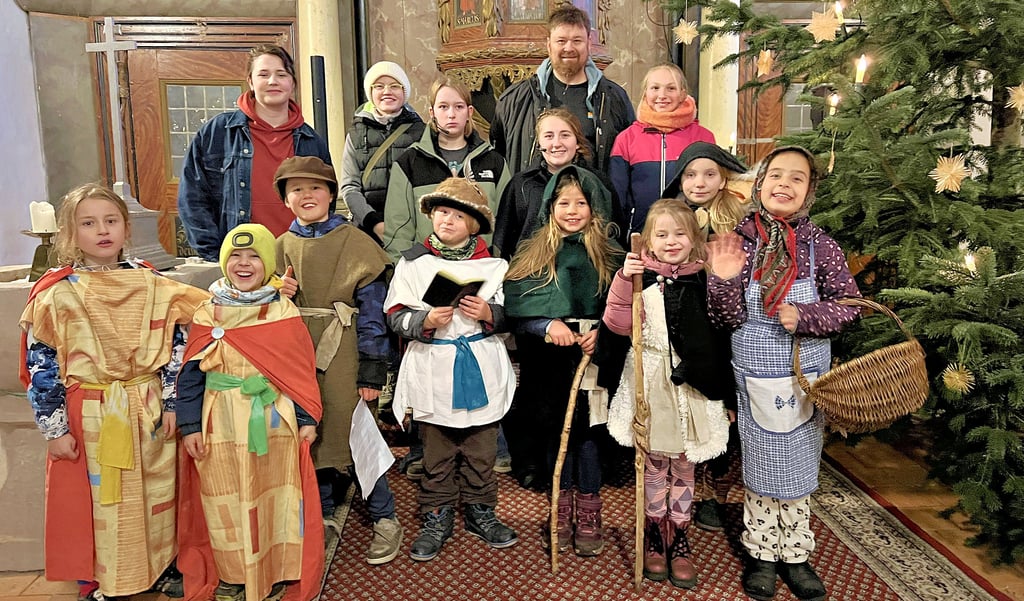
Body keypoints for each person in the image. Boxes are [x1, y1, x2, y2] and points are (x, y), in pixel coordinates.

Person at [20, 184, 209, 601]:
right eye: (88, 223)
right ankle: (104, 578)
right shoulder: (58, 292)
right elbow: (42, 365)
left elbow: (183, 343)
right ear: (70, 234)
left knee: (157, 494)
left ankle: (157, 567)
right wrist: (54, 430)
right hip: (91, 412)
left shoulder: (154, 283)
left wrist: (176, 401)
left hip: (149, 405)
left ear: (126, 227)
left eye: (111, 221)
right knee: (105, 502)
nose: (102, 231)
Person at [706, 146, 861, 601]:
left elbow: (850, 308)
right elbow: (724, 317)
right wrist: (724, 278)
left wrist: (808, 317)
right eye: (776, 175)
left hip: (806, 377)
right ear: (759, 184)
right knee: (761, 464)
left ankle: (796, 552)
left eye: (797, 179)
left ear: (809, 191)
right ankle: (762, 554)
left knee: (798, 466)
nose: (784, 185)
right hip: (754, 371)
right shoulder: (738, 240)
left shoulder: (821, 247)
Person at [175, 224, 324, 601]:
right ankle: (233, 573)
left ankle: (273, 571)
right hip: (219, 422)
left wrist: (306, 420)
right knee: (222, 498)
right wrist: (191, 425)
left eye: (254, 256)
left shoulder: (281, 310)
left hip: (272, 418)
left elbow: (299, 369)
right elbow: (189, 377)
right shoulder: (208, 313)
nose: (244, 263)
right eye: (235, 257)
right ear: (225, 264)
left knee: (274, 497)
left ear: (268, 265)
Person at [273, 156, 403, 566]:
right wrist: (278, 292)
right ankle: (325, 511)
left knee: (355, 430)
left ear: (331, 194)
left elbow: (371, 314)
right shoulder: (278, 247)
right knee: (309, 429)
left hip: (344, 349)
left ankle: (384, 515)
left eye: (315, 188)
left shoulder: (355, 243)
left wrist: (371, 370)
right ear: (286, 200)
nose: (306, 195)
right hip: (297, 352)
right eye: (296, 189)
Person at [384, 177, 518, 562]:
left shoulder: (494, 264)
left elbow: (512, 313)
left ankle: (481, 511)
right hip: (433, 365)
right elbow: (395, 315)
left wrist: (489, 313)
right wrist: (424, 320)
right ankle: (437, 515)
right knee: (437, 451)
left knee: (481, 448)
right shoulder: (412, 263)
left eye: (458, 215)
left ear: (474, 224)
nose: (447, 220)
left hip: (480, 362)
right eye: (442, 212)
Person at [602, 199, 734, 588]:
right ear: (647, 243)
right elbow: (617, 323)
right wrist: (626, 280)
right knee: (654, 462)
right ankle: (654, 534)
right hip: (652, 378)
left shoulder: (704, 279)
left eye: (680, 234)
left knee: (685, 463)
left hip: (693, 384)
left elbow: (722, 336)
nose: (671, 241)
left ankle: (679, 536)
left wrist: (726, 397)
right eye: (661, 234)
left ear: (694, 240)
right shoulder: (639, 278)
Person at [503, 165, 623, 556]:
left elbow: (624, 304)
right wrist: (546, 323)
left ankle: (589, 509)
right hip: (550, 358)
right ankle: (561, 504)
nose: (572, 210)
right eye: (563, 202)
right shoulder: (534, 250)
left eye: (581, 202)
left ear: (595, 207)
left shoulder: (609, 253)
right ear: (550, 206)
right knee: (558, 430)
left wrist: (603, 332)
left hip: (593, 356)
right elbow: (519, 303)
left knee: (588, 433)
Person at [660, 140, 750, 531]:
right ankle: (685, 485)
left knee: (725, 411)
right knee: (690, 409)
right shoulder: (671, 215)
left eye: (709, 174)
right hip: (687, 322)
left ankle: (719, 491)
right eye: (691, 174)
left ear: (723, 177)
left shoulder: (738, 219)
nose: (699, 182)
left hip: (728, 324)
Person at [178, 44, 331, 261]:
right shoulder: (218, 132)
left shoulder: (311, 141)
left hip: (297, 258)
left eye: (281, 74)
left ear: (292, 82)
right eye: (263, 74)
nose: (272, 81)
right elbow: (192, 198)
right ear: (250, 81)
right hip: (240, 261)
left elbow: (325, 202)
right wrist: (217, 255)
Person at [490, 5, 634, 174]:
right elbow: (497, 160)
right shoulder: (515, 99)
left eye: (577, 41)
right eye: (561, 41)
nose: (569, 48)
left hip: (593, 198)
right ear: (549, 45)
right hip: (532, 197)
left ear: (588, 43)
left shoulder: (614, 98)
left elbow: (630, 155)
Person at [383, 75, 510, 262]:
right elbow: (398, 228)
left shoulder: (493, 161)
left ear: (470, 112)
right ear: (432, 112)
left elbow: (505, 222)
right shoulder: (410, 162)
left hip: (480, 269)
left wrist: (496, 266)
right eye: (443, 107)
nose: (451, 114)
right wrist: (404, 269)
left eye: (458, 107)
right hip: (426, 270)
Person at [492, 107, 622, 262]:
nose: (556, 143)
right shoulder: (521, 184)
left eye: (565, 135)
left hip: (588, 272)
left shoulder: (597, 181)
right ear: (539, 143)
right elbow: (503, 240)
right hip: (532, 275)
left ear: (577, 141)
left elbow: (614, 233)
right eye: (548, 136)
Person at [609, 63, 715, 234]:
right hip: (640, 234)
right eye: (655, 88)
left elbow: (714, 190)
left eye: (671, 88)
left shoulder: (703, 138)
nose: (662, 95)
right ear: (645, 92)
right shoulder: (626, 139)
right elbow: (617, 197)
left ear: (683, 93)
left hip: (690, 236)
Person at [339, 61, 426, 245]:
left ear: (405, 92)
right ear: (371, 93)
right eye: (379, 86)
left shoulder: (422, 132)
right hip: (367, 230)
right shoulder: (356, 133)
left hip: (412, 231)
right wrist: (374, 223)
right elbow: (350, 187)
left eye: (395, 86)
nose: (387, 91)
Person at [662, 140, 750, 239]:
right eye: (690, 175)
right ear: (680, 182)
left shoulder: (739, 217)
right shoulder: (666, 216)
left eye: (710, 175)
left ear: (722, 181)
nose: (700, 184)